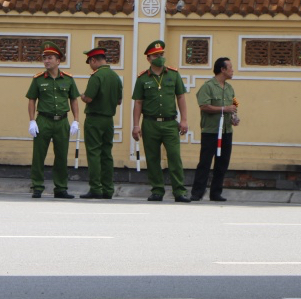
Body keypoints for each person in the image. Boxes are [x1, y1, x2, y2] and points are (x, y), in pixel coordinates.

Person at [131, 40, 190, 202]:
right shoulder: (142, 78)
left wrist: (184, 120)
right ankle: (157, 190)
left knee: (174, 157)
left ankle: (179, 191)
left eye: (161, 54)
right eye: (156, 55)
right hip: (150, 123)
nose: (160, 57)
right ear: (148, 58)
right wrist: (136, 125)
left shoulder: (173, 74)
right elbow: (138, 103)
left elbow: (180, 97)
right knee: (152, 158)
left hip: (170, 123)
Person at [26, 42, 80, 199]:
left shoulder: (68, 79)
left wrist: (76, 120)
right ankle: (37, 186)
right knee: (38, 155)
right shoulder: (38, 79)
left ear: (58, 61)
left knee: (62, 156)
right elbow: (31, 100)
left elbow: (74, 100)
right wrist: (32, 121)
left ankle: (61, 188)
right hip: (43, 120)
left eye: (50, 58)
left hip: (62, 121)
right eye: (45, 58)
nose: (46, 61)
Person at [191, 57, 240, 202]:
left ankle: (216, 193)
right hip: (211, 130)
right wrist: (224, 109)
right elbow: (204, 106)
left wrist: (234, 118)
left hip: (226, 130)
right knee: (205, 162)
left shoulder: (229, 88)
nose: (232, 70)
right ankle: (197, 192)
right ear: (222, 69)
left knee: (222, 163)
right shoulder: (208, 86)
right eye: (230, 67)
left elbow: (232, 107)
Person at [80, 47, 123, 199]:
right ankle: (108, 189)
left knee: (94, 153)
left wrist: (82, 96)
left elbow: (89, 98)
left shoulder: (96, 76)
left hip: (94, 119)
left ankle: (96, 188)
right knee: (106, 154)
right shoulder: (115, 77)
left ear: (93, 60)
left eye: (90, 62)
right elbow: (119, 101)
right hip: (109, 120)